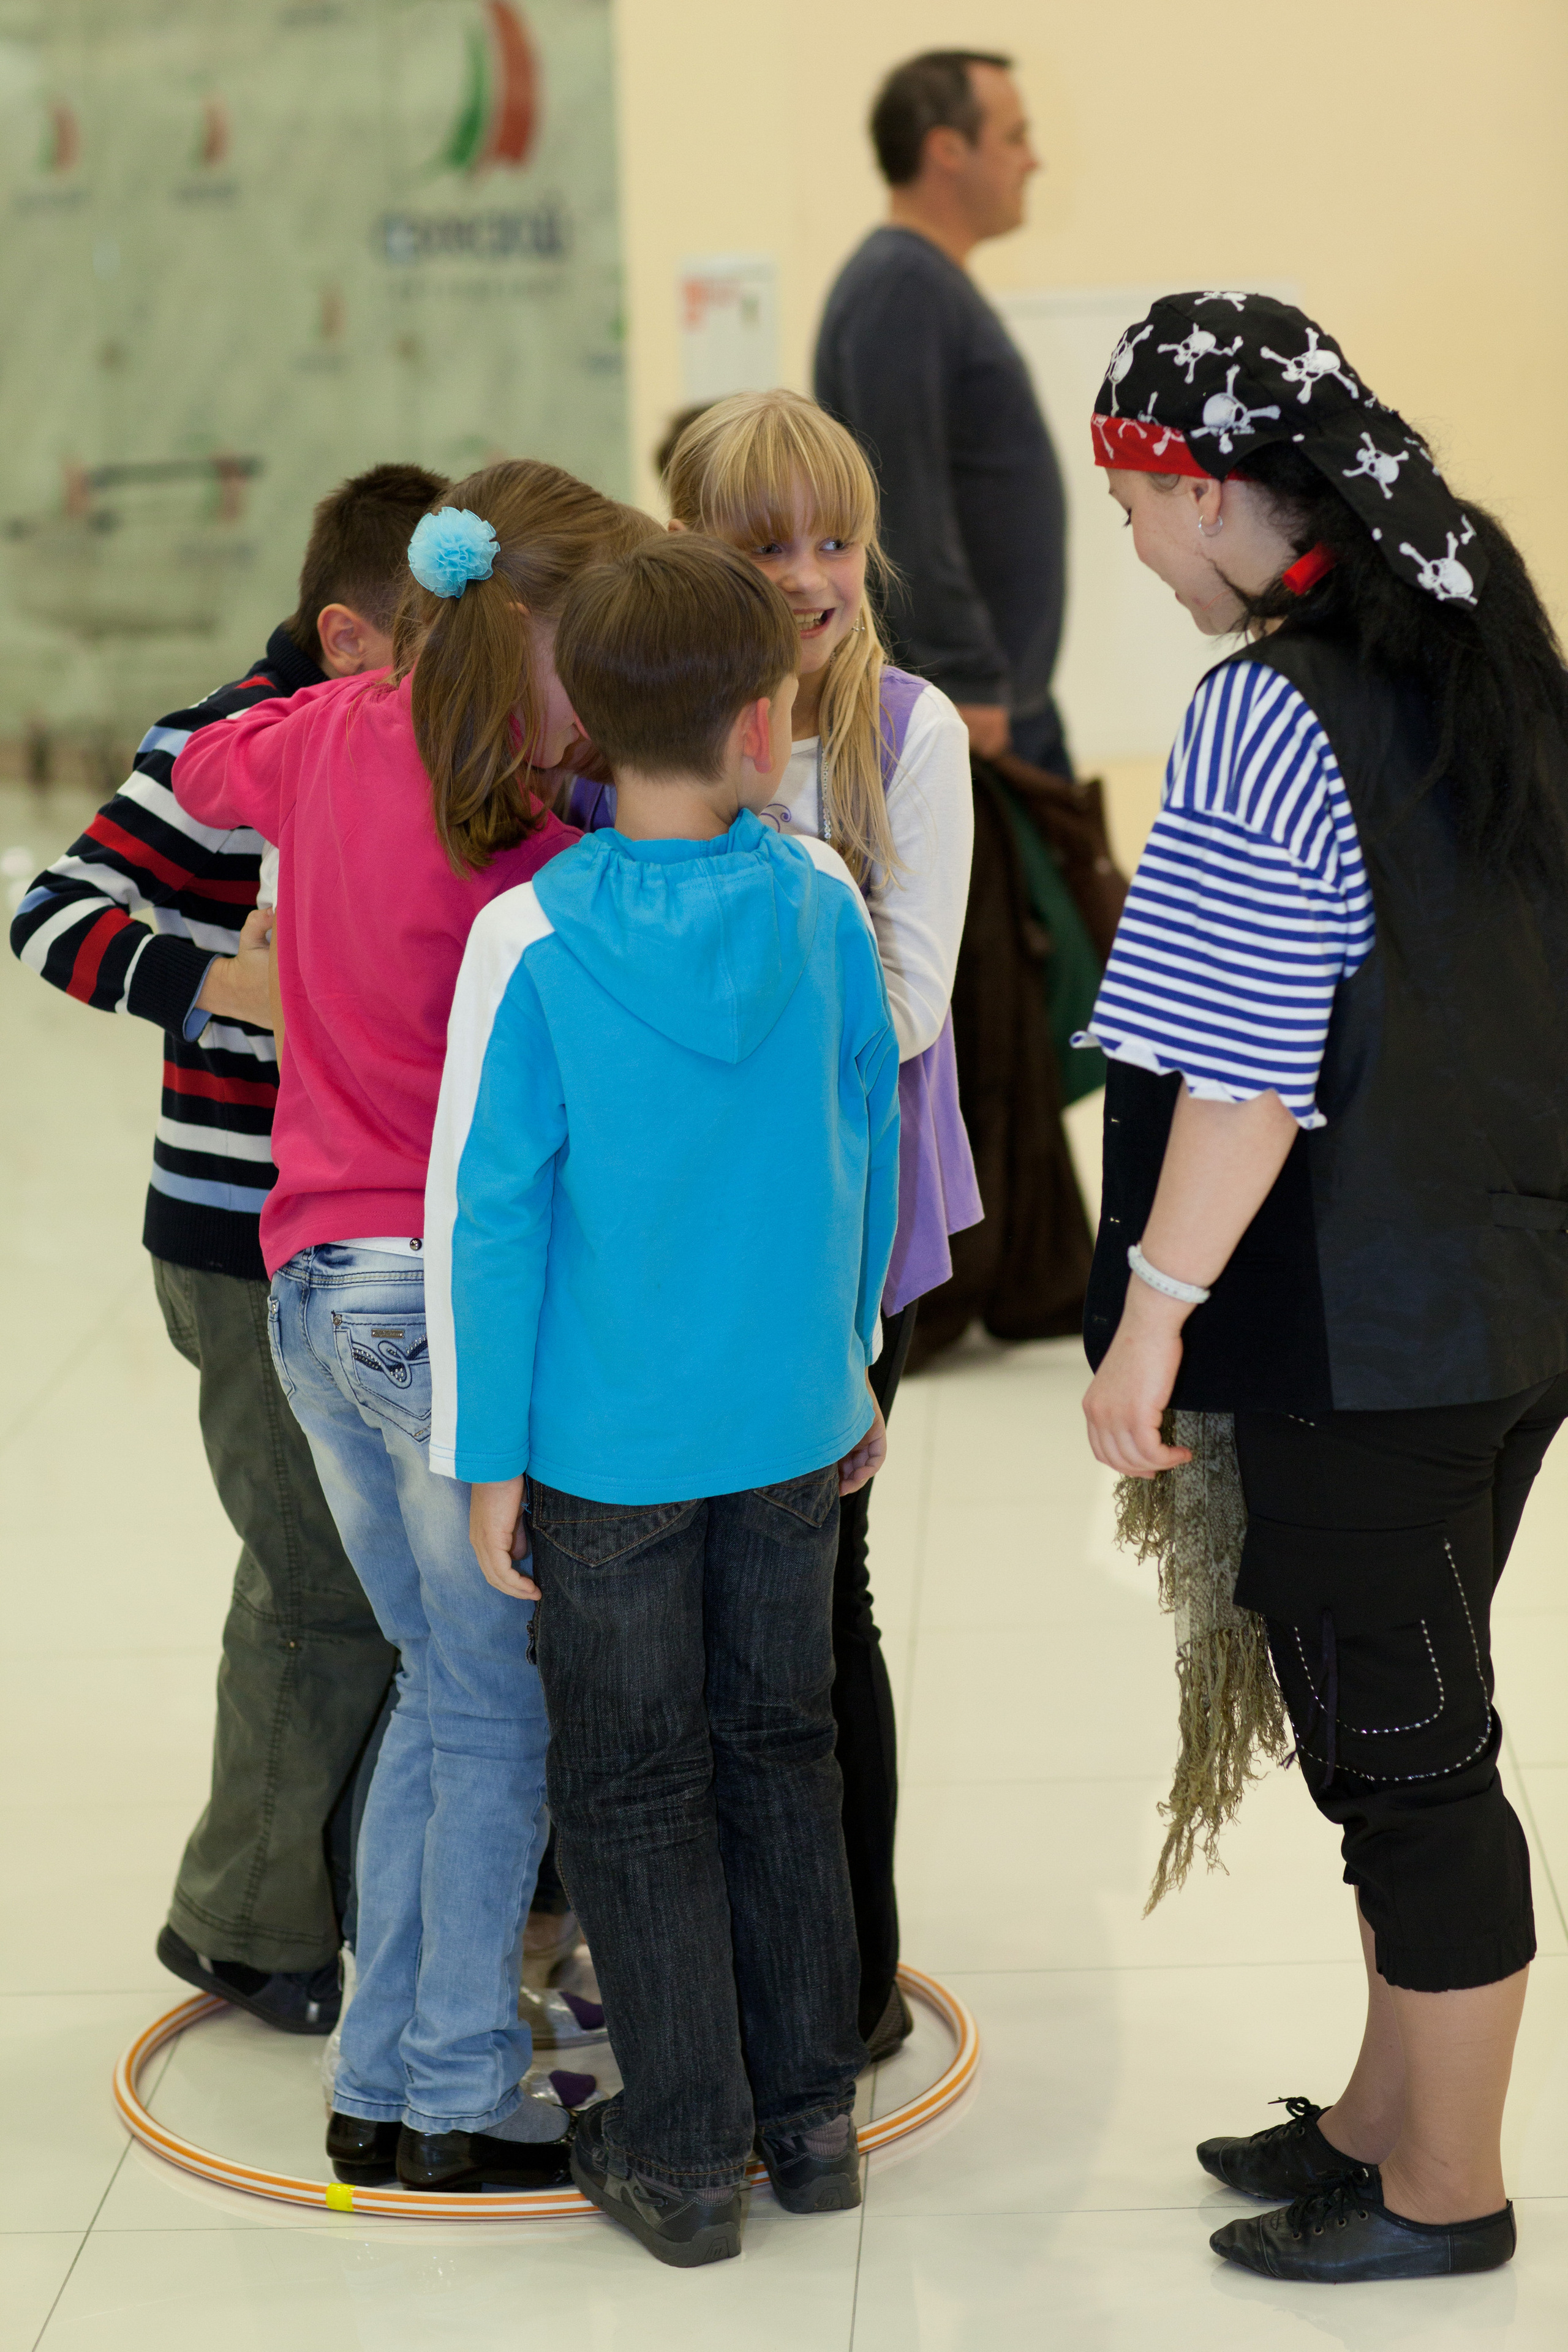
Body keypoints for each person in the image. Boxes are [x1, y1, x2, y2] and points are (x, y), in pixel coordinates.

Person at [1077, 292, 1568, 2283]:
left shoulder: (1274, 706)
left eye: (1129, 506)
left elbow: (1243, 1066)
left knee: (1414, 1764)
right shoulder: (1472, 647)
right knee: (1395, 1736)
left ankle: (1449, 2196)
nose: (1126, 549)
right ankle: (1383, 2121)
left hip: (1371, 1332)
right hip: (1501, 1300)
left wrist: (1147, 1319)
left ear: (1194, 491)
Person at [172, 462, 657, 2195]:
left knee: (439, 1698)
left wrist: (349, 688)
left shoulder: (317, 739)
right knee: (492, 1715)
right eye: (584, 650)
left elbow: (198, 755)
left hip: (306, 1298)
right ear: (523, 637)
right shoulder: (533, 856)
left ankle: (387, 2077)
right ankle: (455, 2093)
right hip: (433, 1307)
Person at [431, 533, 900, 2266]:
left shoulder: (526, 940)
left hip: (606, 1456)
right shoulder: (829, 903)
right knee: (782, 1752)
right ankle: (812, 2124)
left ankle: (690, 2159)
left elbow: (482, 1215)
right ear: (763, 732)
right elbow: (864, 1146)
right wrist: (848, 1356)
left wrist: (487, 1463)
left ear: (585, 731)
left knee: (633, 1786)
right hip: (789, 1424)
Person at [9, 464, 445, 2030]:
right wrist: (224, 980)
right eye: (430, 658)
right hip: (235, 1237)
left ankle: (359, 1885)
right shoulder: (220, 749)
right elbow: (53, 914)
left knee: (405, 1573)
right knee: (314, 1574)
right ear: (345, 638)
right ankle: (246, 1919)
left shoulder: (415, 734)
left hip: (383, 1237)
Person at [659, 388, 980, 2061]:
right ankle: (699, 1952)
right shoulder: (651, 723)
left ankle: (843, 1988)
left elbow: (914, 1009)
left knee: (814, 1596)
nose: (806, 576)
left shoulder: (905, 732)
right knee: (677, 1600)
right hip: (672, 1238)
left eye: (833, 540)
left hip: (850, 1239)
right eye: (760, 542)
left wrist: (742, 932)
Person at [814, 50, 1071, 777]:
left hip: (990, 700)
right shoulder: (902, 285)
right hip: (966, 707)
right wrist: (961, 677)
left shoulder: (919, 282)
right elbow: (901, 501)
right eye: (1015, 137)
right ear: (946, 150)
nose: (1034, 161)